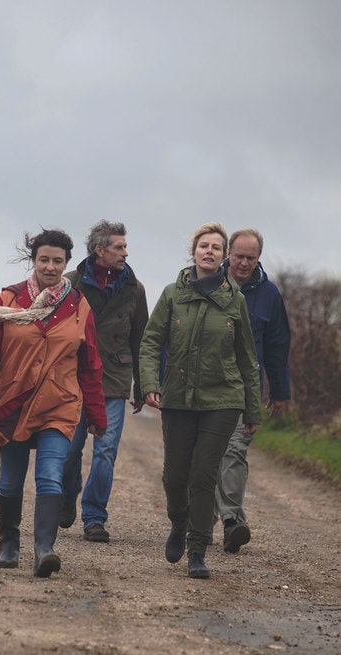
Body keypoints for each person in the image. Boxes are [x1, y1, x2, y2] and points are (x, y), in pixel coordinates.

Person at [0, 228, 107, 578]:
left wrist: (97, 415)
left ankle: (45, 548)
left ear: (66, 264)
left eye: (58, 261)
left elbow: (90, 364)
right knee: (11, 480)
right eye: (44, 259)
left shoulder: (79, 306)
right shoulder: (9, 299)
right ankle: (9, 543)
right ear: (34, 261)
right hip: (15, 400)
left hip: (60, 403)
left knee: (50, 475)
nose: (51, 266)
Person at [139, 222, 261, 579]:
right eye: (204, 246)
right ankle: (179, 523)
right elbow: (150, 343)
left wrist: (251, 408)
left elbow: (246, 358)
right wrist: (149, 381)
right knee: (175, 476)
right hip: (177, 398)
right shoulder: (171, 295)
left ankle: (196, 550)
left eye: (216, 248)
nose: (209, 251)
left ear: (223, 257)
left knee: (204, 475)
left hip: (222, 400)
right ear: (194, 252)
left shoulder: (234, 300)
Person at [59, 219, 149, 543]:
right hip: (74, 380)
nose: (126, 252)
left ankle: (95, 517)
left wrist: (142, 386)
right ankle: (68, 495)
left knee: (106, 450)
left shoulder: (134, 290)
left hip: (113, 379)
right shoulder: (70, 284)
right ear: (100, 250)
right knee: (69, 452)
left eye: (125, 246)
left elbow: (141, 340)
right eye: (119, 247)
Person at [214, 228, 291, 553]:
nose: (244, 263)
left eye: (251, 257)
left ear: (259, 258)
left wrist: (280, 392)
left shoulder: (269, 295)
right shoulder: (207, 283)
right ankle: (198, 522)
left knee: (233, 451)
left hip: (246, 389)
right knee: (206, 454)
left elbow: (277, 346)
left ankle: (232, 522)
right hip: (207, 385)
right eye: (239, 256)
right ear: (228, 253)